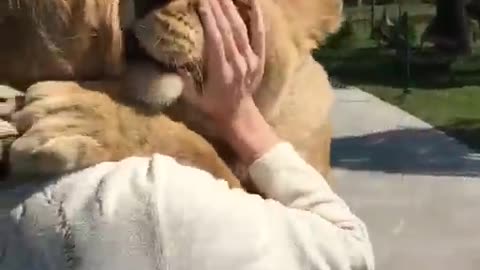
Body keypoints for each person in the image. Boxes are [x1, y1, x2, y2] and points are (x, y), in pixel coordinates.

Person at [0, 0, 374, 269]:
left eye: (231, 13)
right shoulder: (154, 199)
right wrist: (239, 116)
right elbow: (347, 250)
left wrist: (147, 134)